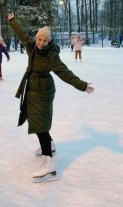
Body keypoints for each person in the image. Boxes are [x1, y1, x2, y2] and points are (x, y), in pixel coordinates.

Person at [7, 13, 94, 181]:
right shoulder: (31, 46)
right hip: (32, 89)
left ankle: (48, 162)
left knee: (40, 124)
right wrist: (12, 21)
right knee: (36, 119)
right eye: (39, 39)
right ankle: (51, 145)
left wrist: (82, 85)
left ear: (49, 42)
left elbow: (64, 72)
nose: (41, 43)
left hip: (43, 91)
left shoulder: (51, 56)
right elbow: (21, 33)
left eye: (45, 41)